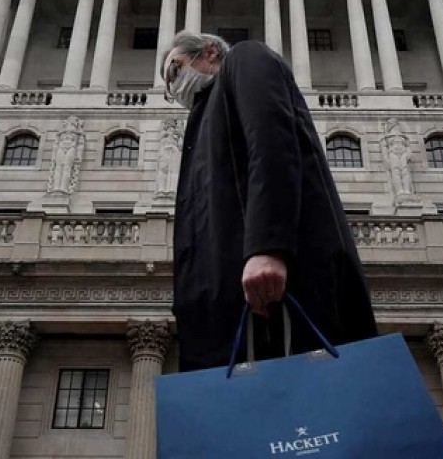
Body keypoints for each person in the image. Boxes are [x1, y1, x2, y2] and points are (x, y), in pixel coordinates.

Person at [161, 31, 378, 372]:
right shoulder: (203, 118)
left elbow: (272, 145)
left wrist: (267, 247)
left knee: (309, 405)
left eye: (175, 70)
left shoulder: (245, 59)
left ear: (210, 53)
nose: (174, 86)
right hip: (228, 307)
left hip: (275, 287)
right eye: (167, 84)